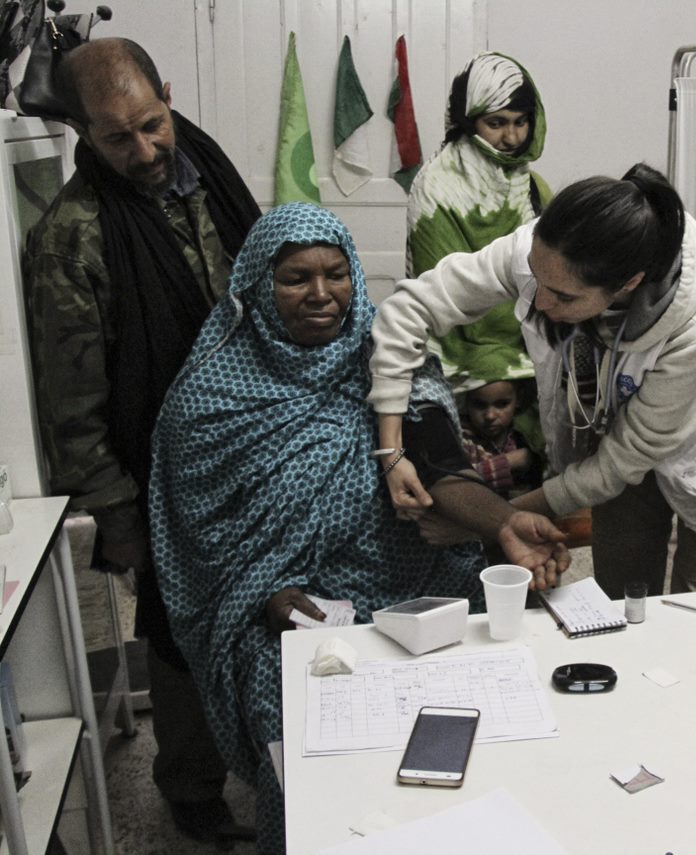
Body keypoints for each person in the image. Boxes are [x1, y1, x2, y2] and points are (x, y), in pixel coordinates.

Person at [149, 203, 568, 854]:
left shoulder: (389, 354)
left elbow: (442, 467)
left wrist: (507, 521)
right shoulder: (208, 401)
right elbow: (198, 541)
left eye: (337, 274)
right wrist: (268, 595)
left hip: (420, 576)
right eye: (295, 278)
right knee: (299, 717)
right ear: (258, 285)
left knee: (493, 689)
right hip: (298, 607)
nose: (322, 294)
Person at [23, 38, 259, 843]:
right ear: (83, 133)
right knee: (180, 624)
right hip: (165, 472)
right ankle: (190, 784)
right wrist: (119, 518)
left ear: (166, 93)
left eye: (153, 124)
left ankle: (274, 753)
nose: (147, 149)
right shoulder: (71, 238)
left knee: (273, 598)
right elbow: (73, 404)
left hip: (254, 438)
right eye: (118, 138)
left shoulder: (207, 164)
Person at [370, 163, 696, 599]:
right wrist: (391, 450)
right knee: (621, 598)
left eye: (564, 296)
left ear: (629, 284)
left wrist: (492, 520)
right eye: (536, 277)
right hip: (623, 442)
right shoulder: (544, 252)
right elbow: (409, 308)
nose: (540, 302)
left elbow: (621, 462)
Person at [406, 51, 550, 447]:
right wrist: (490, 356)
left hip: (526, 339)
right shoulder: (435, 185)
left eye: (521, 122)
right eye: (496, 123)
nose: (512, 138)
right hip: (457, 348)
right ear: (468, 121)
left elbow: (550, 265)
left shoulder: (529, 182)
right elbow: (440, 285)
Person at [461, 379, 541, 499]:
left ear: (518, 399)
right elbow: (456, 483)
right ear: (465, 401)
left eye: (502, 404)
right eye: (479, 405)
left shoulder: (527, 434)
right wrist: (510, 461)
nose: (490, 416)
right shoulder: (460, 435)